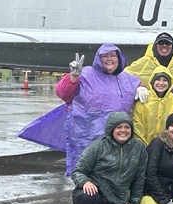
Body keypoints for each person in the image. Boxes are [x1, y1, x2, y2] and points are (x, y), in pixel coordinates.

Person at [56, 44, 144, 175]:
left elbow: (139, 83)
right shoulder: (85, 74)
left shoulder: (126, 78)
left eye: (113, 55)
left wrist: (142, 87)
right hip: (89, 137)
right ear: (99, 58)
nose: (109, 59)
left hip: (119, 138)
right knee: (88, 177)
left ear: (119, 58)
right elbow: (63, 94)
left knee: (117, 175)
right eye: (105, 56)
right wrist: (73, 77)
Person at [71, 112, 147, 204]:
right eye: (119, 127)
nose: (123, 130)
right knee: (87, 197)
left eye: (127, 127)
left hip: (116, 202)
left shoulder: (139, 148)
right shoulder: (98, 146)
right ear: (111, 129)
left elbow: (139, 179)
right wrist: (85, 182)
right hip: (96, 195)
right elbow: (78, 171)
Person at [132, 69, 173, 145]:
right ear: (152, 81)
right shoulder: (144, 98)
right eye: (158, 80)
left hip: (165, 147)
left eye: (165, 80)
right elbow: (137, 124)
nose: (161, 83)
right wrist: (143, 146)